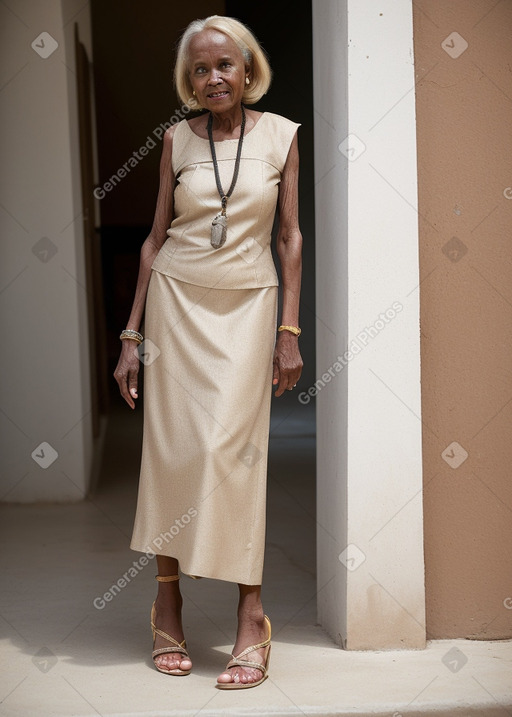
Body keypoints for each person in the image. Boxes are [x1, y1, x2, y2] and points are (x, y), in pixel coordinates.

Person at [113, 14, 303, 689]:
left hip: (248, 305)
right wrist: (132, 336)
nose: (213, 76)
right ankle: (167, 600)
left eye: (225, 64)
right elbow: (155, 237)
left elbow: (289, 239)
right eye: (200, 68)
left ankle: (253, 614)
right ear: (188, 80)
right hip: (174, 304)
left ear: (248, 68)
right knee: (174, 450)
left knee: (233, 452)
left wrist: (290, 330)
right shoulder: (174, 141)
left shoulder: (282, 136)